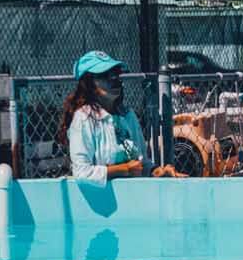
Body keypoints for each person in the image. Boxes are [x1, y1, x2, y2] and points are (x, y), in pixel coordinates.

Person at [63, 51, 179, 184]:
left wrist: (156, 171)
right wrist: (123, 170)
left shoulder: (128, 116)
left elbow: (142, 164)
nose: (114, 80)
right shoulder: (84, 119)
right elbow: (82, 173)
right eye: (105, 76)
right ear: (89, 83)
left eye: (115, 74)